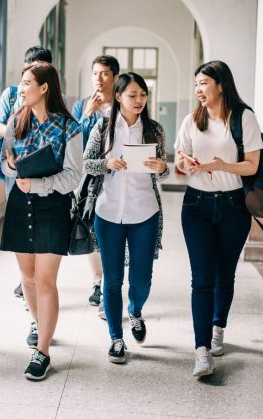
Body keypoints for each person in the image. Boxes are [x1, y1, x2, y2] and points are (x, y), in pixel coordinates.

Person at [174, 60, 263, 377]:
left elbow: (251, 165)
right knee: (202, 278)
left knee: (225, 274)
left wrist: (219, 165)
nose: (198, 89)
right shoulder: (191, 120)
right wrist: (186, 163)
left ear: (221, 85)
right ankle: (201, 351)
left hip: (233, 207)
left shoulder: (243, 118)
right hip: (196, 205)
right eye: (196, 84)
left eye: (204, 83)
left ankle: (218, 328)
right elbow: (178, 164)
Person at [0, 62, 82, 380]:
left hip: (53, 207)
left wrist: (38, 185)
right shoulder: (15, 122)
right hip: (20, 204)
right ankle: (38, 323)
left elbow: (73, 176)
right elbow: (4, 167)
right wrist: (11, 166)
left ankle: (42, 351)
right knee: (28, 279)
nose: (20, 89)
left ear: (44, 87)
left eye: (26, 83)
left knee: (46, 281)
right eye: (20, 83)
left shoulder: (68, 127)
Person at [83, 72, 169, 364]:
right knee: (112, 280)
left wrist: (160, 167)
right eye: (133, 95)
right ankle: (116, 338)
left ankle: (135, 311)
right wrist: (107, 163)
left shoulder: (154, 130)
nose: (139, 100)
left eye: (143, 95)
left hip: (145, 212)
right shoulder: (103, 129)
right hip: (108, 213)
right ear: (118, 97)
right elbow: (87, 163)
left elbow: (165, 169)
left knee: (142, 279)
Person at [0, 46, 53, 302]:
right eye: (32, 69)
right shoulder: (11, 95)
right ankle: (26, 276)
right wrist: (13, 132)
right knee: (20, 218)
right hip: (16, 166)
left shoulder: (53, 99)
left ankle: (40, 275)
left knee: (43, 222)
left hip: (45, 171)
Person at [72, 55, 119, 318]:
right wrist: (87, 115)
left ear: (114, 77)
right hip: (90, 177)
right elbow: (74, 142)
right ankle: (97, 281)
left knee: (112, 230)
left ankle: (110, 282)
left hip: (117, 175)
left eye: (104, 74)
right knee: (92, 229)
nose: (98, 79)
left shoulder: (123, 104)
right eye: (95, 74)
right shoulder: (82, 106)